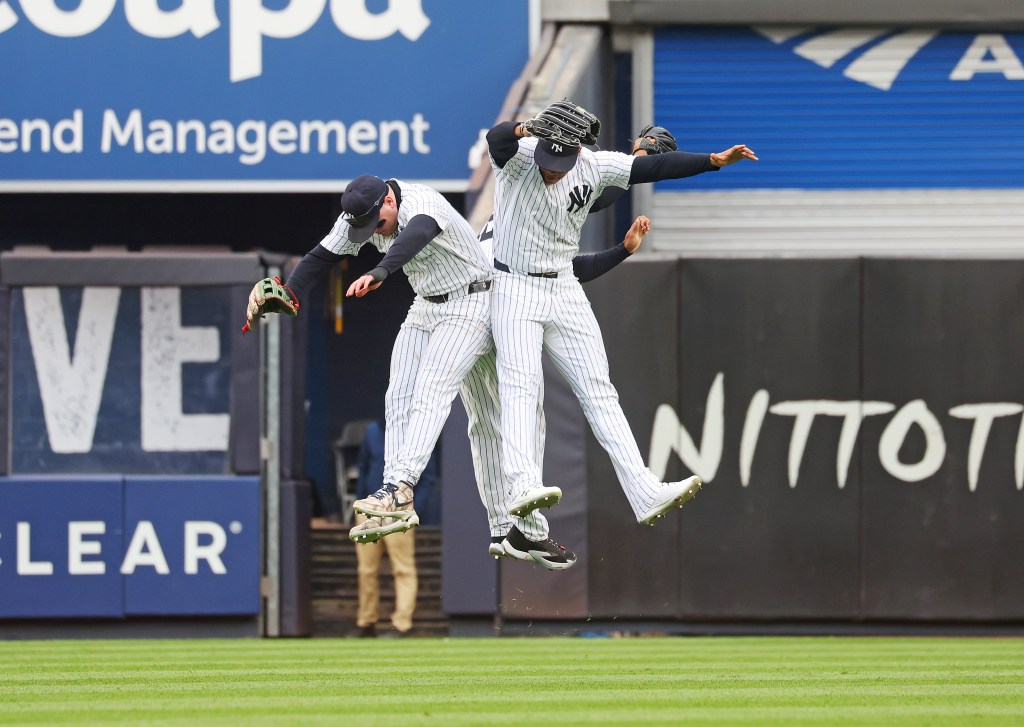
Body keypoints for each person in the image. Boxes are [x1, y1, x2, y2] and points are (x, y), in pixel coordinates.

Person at [485, 101, 758, 526]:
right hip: (513, 285)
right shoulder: (520, 160)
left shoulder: (595, 165)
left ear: (578, 150)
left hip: (563, 285)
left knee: (600, 392)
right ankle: (521, 484)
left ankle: (644, 490)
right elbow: (497, 138)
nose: (552, 167)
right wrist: (526, 129)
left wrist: (714, 161)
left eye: (562, 158)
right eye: (548, 155)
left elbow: (651, 170)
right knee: (522, 385)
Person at [351, 419, 437, 637]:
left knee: (403, 568)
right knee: (366, 570)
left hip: (399, 510)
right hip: (369, 508)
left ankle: (402, 624)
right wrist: (358, 502)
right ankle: (366, 622)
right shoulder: (372, 431)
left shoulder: (417, 434)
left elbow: (428, 477)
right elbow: (363, 468)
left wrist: (414, 508)